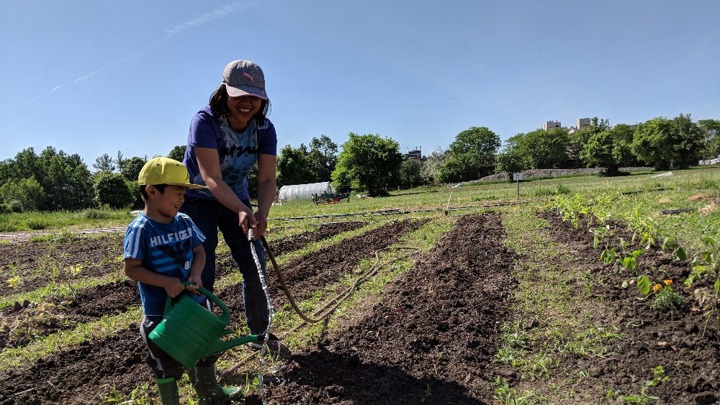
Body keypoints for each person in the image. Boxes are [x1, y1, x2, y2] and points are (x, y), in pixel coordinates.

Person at [180, 60, 289, 358]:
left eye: (254, 97)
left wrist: (261, 214)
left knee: (255, 264)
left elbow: (267, 179)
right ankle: (203, 342)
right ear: (225, 91)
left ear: (263, 99)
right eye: (240, 95)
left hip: (237, 199)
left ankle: (260, 333)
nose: (247, 103)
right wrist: (241, 209)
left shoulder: (264, 129)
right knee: (204, 268)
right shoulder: (205, 121)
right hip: (197, 199)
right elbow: (212, 178)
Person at [123, 157, 243, 404]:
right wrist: (165, 282)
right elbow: (131, 268)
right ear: (152, 191)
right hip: (161, 312)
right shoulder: (140, 229)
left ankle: (210, 394)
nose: (182, 199)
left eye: (184, 193)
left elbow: (200, 252)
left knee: (206, 349)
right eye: (177, 192)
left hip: (194, 304)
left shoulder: (185, 222)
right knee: (166, 363)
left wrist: (196, 274)